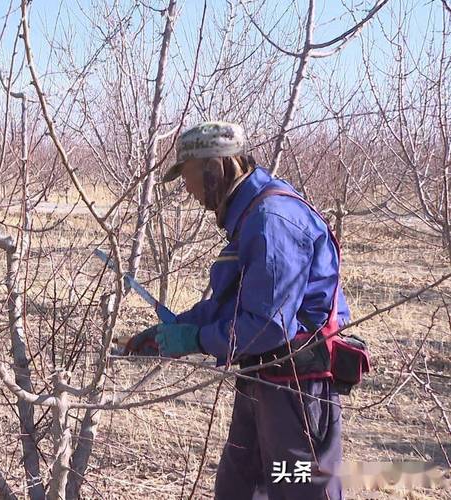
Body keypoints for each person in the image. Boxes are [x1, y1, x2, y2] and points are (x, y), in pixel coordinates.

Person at [126, 121, 349, 499]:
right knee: (240, 487)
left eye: (188, 176)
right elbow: (237, 300)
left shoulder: (272, 220)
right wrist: (180, 328)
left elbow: (268, 326)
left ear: (214, 167)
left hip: (294, 389)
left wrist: (196, 339)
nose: (189, 191)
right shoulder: (250, 215)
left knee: (298, 489)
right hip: (262, 377)